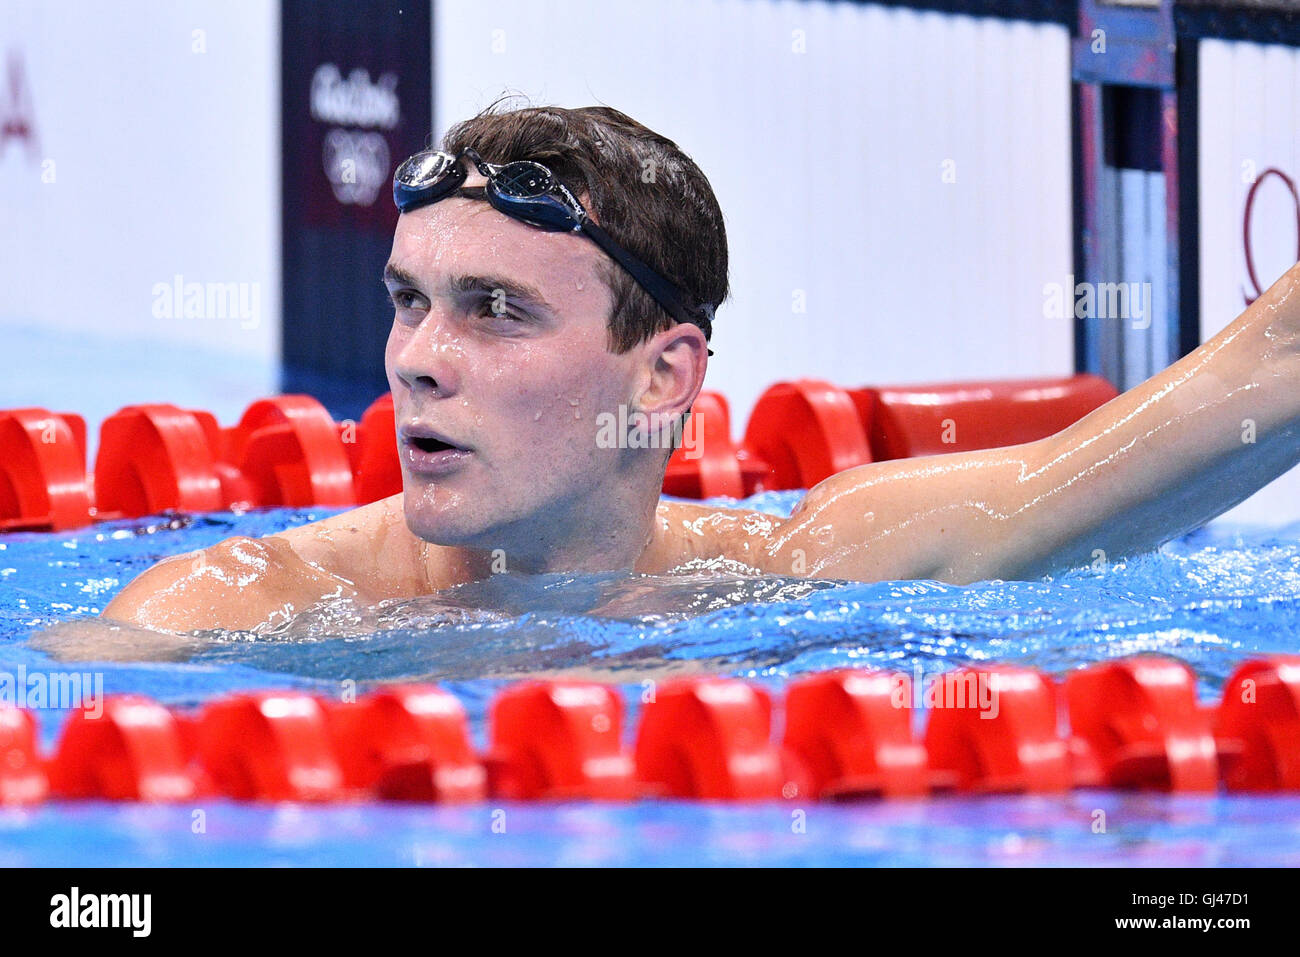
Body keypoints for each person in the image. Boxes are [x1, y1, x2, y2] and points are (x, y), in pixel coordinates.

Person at [89, 102, 1300, 639]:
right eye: (410, 303)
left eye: (496, 312)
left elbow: (1267, 370)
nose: (416, 362)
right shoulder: (227, 612)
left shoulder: (788, 575)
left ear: (663, 378)